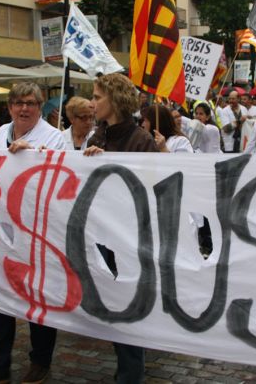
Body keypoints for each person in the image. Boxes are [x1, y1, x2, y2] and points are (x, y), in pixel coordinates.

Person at [0, 82, 64, 384]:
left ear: (41, 106)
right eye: (19, 102)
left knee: (37, 299)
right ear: (9, 107)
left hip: (37, 234)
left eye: (32, 103)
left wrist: (31, 155)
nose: (24, 108)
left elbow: (60, 180)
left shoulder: (55, 138)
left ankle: (41, 361)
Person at [84, 73, 157, 383]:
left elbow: (151, 191)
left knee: (127, 312)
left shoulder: (141, 140)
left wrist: (112, 164)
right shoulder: (95, 136)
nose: (92, 102)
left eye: (97, 97)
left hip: (129, 240)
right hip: (101, 235)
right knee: (113, 307)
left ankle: (130, 374)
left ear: (114, 100)